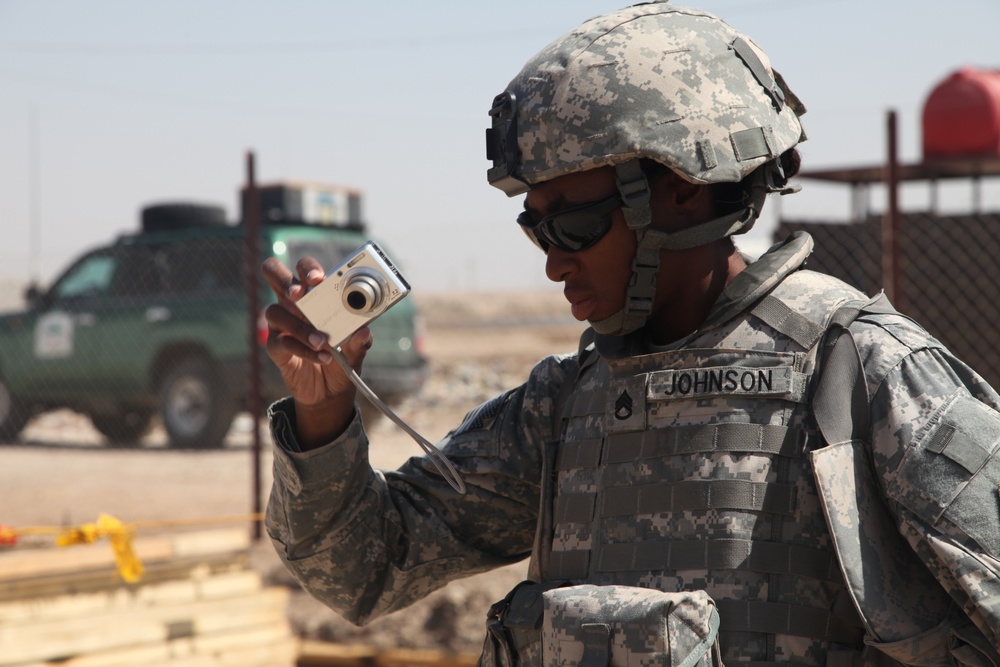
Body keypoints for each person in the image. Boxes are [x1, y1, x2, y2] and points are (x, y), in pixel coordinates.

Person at [261, 3, 1000, 666]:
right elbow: (361, 568)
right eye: (533, 227)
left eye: (572, 225)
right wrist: (323, 415)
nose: (553, 260)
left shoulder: (868, 379)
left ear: (680, 188)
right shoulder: (563, 408)